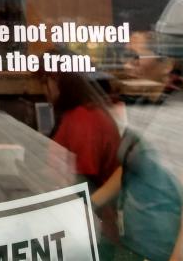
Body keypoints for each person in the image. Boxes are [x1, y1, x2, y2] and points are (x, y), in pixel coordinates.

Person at [92, 31, 183, 261]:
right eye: (125, 57)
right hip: (135, 243)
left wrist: (180, 255)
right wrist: (91, 203)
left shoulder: (181, 116)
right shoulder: (145, 107)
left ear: (166, 65)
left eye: (136, 57)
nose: (127, 65)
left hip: (162, 248)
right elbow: (130, 166)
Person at [40, 60, 121, 259]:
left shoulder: (84, 120)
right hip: (81, 223)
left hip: (90, 229)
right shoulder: (79, 115)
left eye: (45, 81)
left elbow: (84, 184)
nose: (44, 90)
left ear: (59, 81)